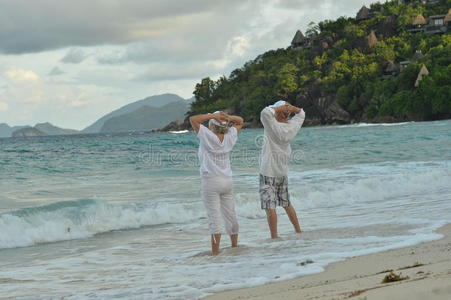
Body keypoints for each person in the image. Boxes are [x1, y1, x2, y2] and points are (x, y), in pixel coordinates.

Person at [189, 111, 244, 255]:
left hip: (211, 181)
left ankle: (215, 253)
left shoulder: (207, 135)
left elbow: (193, 119)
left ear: (212, 124)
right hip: (227, 181)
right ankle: (234, 247)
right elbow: (240, 121)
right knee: (230, 215)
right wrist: (228, 118)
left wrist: (211, 116)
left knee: (214, 219)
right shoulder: (230, 136)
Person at [259, 100, 306, 239]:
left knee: (270, 207)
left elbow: (265, 112)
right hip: (282, 172)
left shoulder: (272, 124)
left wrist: (279, 108)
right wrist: (292, 108)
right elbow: (301, 113)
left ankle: (274, 237)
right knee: (286, 204)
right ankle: (298, 230)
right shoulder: (292, 126)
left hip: (268, 171)